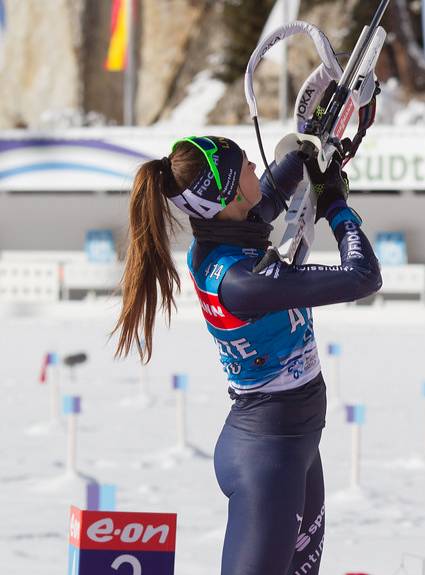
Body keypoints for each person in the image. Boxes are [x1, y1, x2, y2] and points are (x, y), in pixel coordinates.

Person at [111, 134, 381, 575]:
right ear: (232, 192)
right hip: (268, 456)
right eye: (246, 164)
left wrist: (307, 154)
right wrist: (334, 204)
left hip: (292, 444)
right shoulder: (241, 280)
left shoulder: (224, 236)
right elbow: (362, 276)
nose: (257, 164)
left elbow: (270, 192)